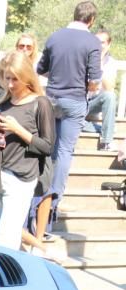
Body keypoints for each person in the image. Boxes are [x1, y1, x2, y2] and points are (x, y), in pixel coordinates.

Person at [0, 51, 55, 252]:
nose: (9, 84)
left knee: (7, 239)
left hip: (21, 177)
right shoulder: (2, 103)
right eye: (6, 78)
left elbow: (47, 146)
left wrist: (18, 129)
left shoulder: (40, 103)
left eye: (15, 79)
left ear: (26, 76)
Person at [36, 1, 103, 212]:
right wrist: (89, 88)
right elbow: (95, 80)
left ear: (75, 15)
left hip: (51, 98)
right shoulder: (92, 41)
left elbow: (40, 68)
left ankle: (39, 194)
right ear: (91, 20)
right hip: (74, 100)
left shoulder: (55, 36)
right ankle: (53, 201)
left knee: (47, 147)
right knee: (64, 151)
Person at [83, 28, 118, 151]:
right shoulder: (83, 58)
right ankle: (107, 130)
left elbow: (109, 88)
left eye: (102, 42)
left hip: (95, 103)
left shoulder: (111, 63)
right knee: (74, 123)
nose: (99, 45)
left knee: (110, 96)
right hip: (81, 103)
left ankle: (106, 142)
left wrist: (98, 65)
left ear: (108, 44)